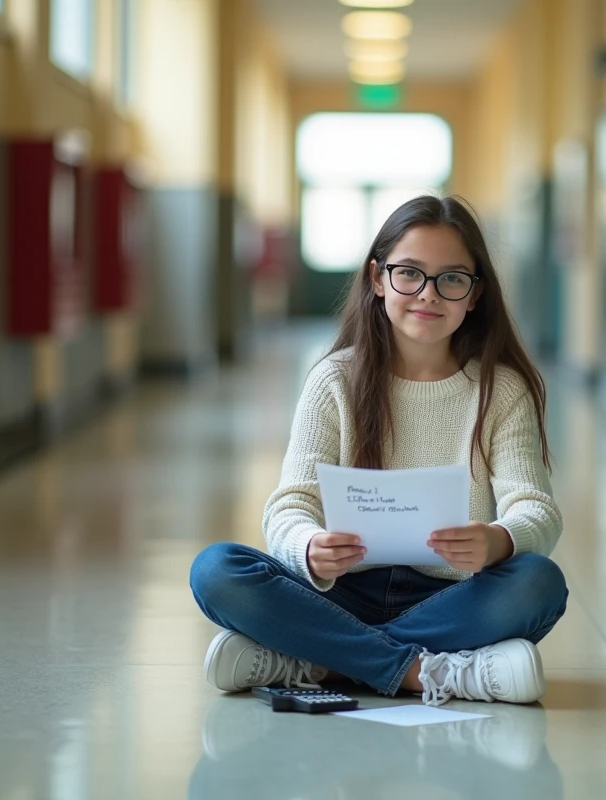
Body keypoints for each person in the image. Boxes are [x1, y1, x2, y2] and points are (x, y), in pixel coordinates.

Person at [189, 195, 567, 706]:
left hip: (451, 596)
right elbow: (289, 505)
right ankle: (423, 671)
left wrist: (498, 540)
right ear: (377, 279)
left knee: (538, 584)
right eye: (409, 273)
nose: (428, 295)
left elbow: (536, 508)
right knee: (216, 570)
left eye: (452, 279)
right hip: (339, 592)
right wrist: (309, 549)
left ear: (475, 295)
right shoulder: (333, 380)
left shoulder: (500, 390)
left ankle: (314, 659)